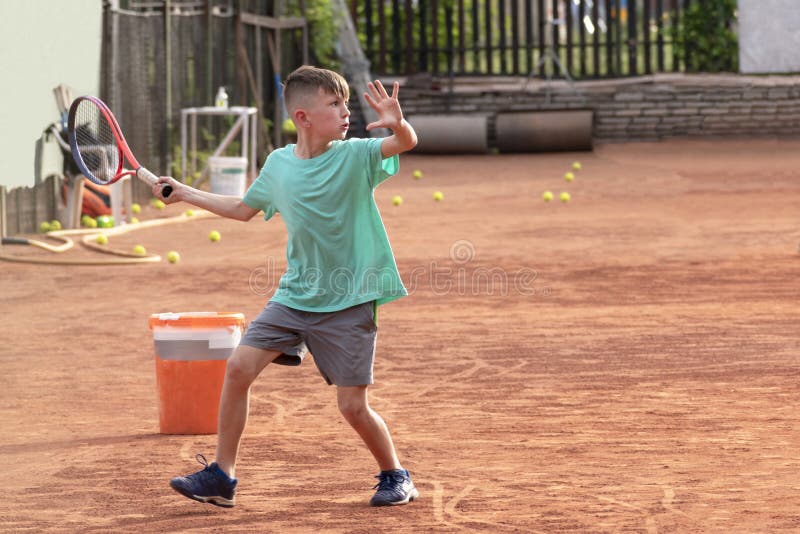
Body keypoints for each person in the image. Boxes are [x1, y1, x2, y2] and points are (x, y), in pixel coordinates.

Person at [155, 65, 419, 508]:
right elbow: (242, 208)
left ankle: (396, 475)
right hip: (295, 295)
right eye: (334, 104)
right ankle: (223, 476)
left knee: (352, 407)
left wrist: (399, 122)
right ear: (303, 117)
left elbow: (405, 143)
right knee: (238, 369)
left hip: (350, 299)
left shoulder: (356, 155)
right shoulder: (279, 165)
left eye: (345, 103)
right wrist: (185, 192)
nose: (346, 111)